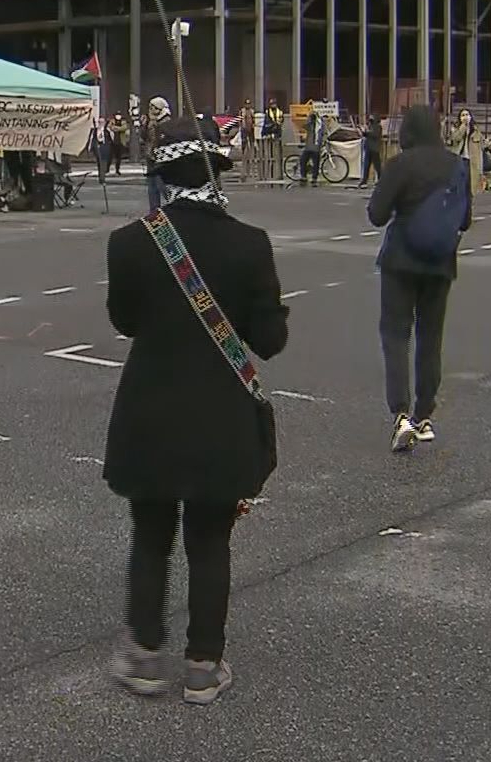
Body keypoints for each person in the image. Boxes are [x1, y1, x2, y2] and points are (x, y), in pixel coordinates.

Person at [104, 115, 288, 706]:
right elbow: (270, 340)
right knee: (210, 540)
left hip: (151, 414)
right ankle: (204, 665)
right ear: (217, 172)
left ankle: (143, 657)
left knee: (151, 534)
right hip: (221, 417)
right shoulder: (250, 243)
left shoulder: (131, 242)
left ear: (163, 176)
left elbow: (125, 321)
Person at [367, 105, 470, 452]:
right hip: (440, 263)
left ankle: (400, 414)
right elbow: (465, 219)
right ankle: (425, 416)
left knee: (396, 335)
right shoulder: (457, 165)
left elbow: (376, 215)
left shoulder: (400, 164)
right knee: (430, 337)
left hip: (400, 261)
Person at [144, 97, 173, 208]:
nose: (150, 110)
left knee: (161, 184)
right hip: (150, 156)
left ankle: (173, 206)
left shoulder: (165, 121)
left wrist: (153, 124)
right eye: (150, 107)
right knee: (152, 187)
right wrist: (146, 124)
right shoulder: (151, 121)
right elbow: (145, 137)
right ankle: (154, 211)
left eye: (153, 107)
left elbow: (162, 137)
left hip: (161, 157)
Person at [298, 106, 329, 186]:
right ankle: (304, 176)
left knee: (315, 163)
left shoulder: (321, 124)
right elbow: (304, 126)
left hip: (316, 146)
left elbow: (324, 133)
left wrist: (323, 143)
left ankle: (314, 178)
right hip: (309, 146)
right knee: (303, 161)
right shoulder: (310, 123)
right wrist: (309, 118)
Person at [357, 111, 384, 188]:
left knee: (377, 166)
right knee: (366, 165)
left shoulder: (378, 127)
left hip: (374, 149)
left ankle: (380, 180)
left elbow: (374, 134)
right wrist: (362, 131)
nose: (370, 120)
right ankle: (364, 180)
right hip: (368, 148)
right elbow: (366, 134)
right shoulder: (370, 126)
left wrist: (366, 132)